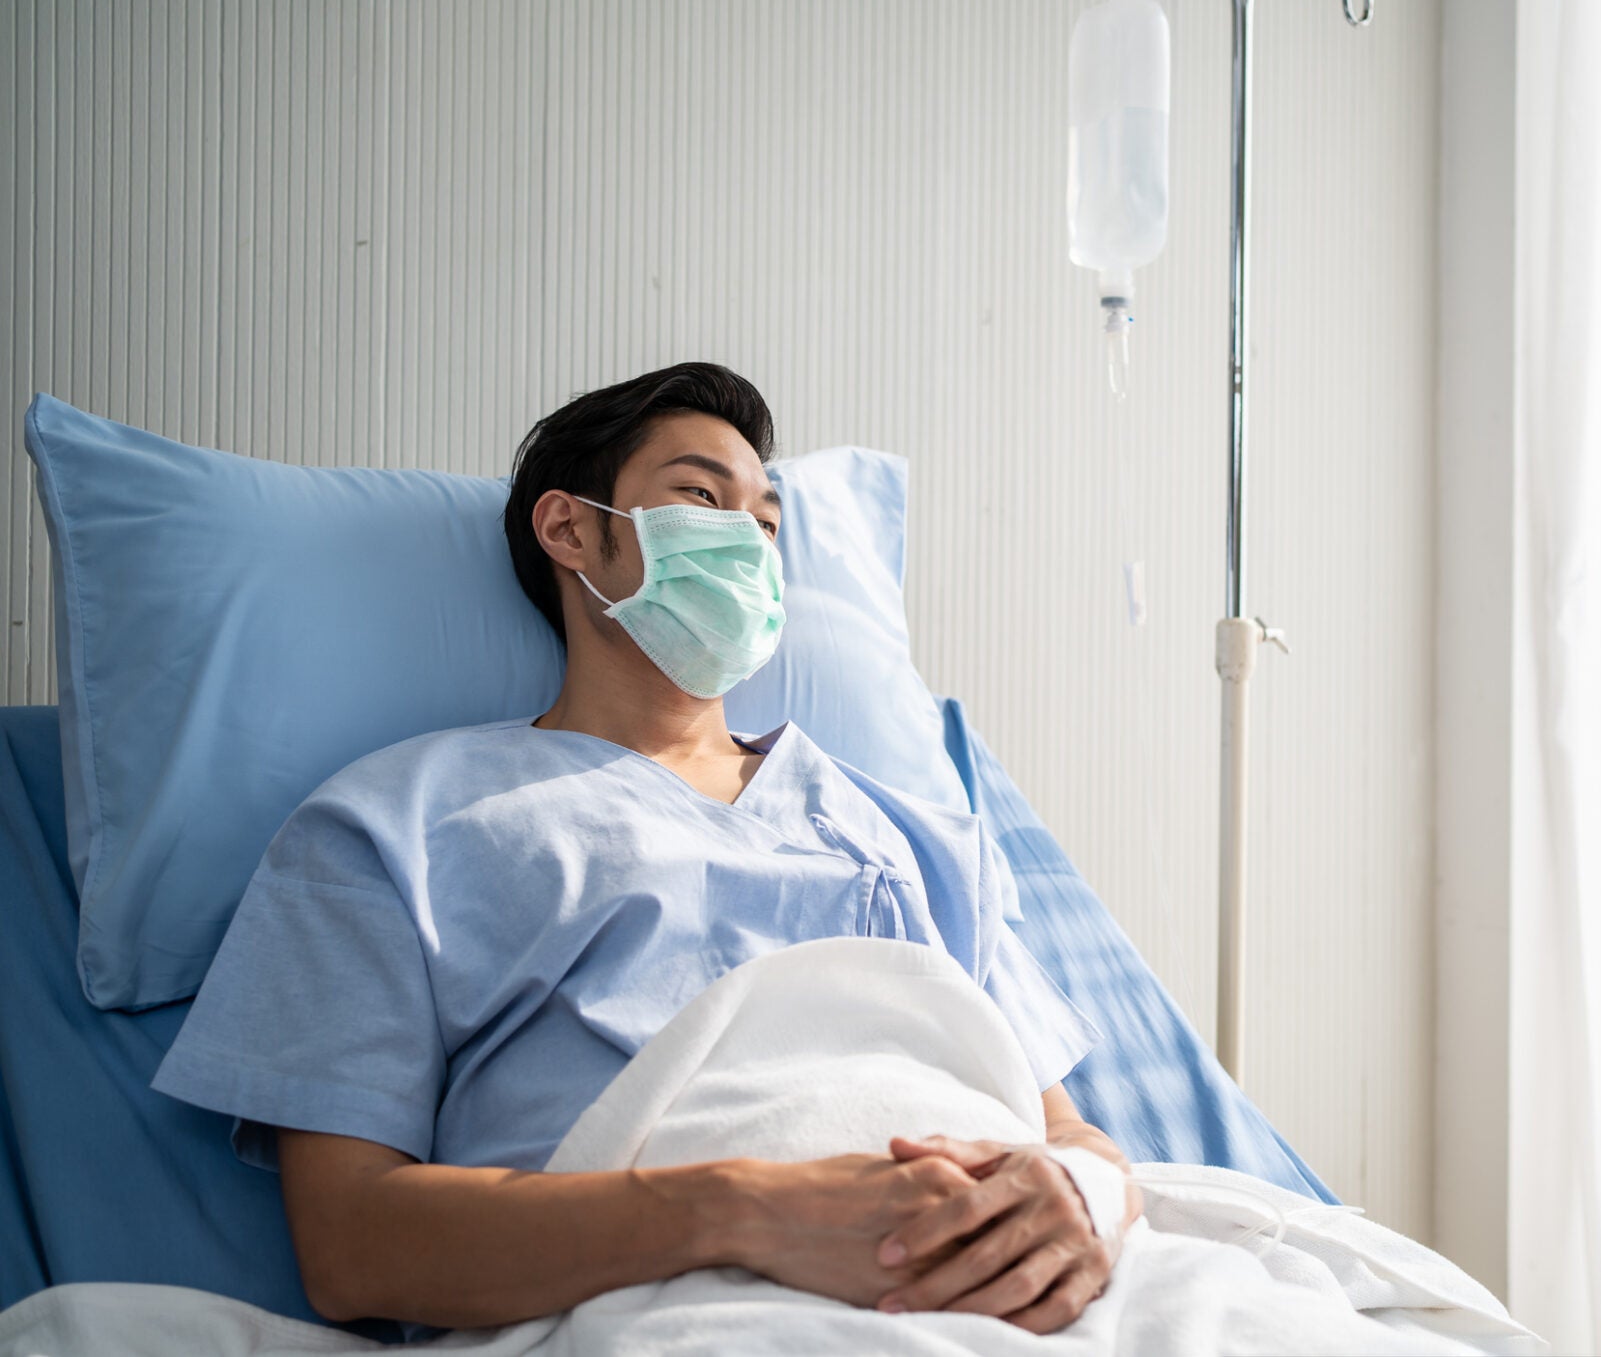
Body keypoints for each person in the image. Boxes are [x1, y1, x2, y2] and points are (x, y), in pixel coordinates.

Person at [150, 363, 1137, 1338]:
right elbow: (353, 1248)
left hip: (1024, 1291)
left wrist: (1084, 1199)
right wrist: (748, 1212)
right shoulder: (393, 829)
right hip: (672, 1311)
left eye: (765, 524)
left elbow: (1066, 1132)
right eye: (702, 498)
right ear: (569, 528)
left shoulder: (921, 836)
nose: (748, 546)